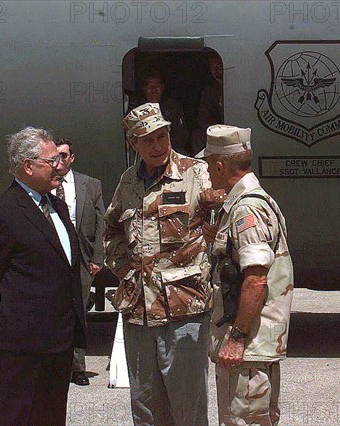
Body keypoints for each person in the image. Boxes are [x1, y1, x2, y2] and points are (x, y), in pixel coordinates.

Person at [105, 103, 212, 425]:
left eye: (162, 136)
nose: (157, 146)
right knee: (146, 405)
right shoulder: (128, 182)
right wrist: (125, 271)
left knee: (187, 405)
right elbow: (112, 231)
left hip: (184, 308)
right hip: (139, 311)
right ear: (133, 144)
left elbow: (220, 230)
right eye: (147, 140)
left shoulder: (196, 173)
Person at [0, 127, 86, 425]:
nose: (60, 166)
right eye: (51, 161)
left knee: (52, 416)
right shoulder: (3, 213)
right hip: (21, 346)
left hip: (59, 341)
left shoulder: (57, 205)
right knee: (18, 417)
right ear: (27, 166)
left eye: (60, 159)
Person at [196, 125, 294, 426]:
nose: (207, 174)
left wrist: (236, 339)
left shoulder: (246, 210)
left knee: (244, 421)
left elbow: (256, 280)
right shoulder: (244, 203)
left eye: (209, 165)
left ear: (221, 165)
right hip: (251, 347)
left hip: (248, 347)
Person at [52, 137, 105, 386]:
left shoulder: (90, 185)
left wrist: (98, 257)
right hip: (52, 255)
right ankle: (55, 365)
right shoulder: (43, 184)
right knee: (52, 309)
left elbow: (101, 222)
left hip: (81, 256)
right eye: (54, 156)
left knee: (79, 311)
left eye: (63, 156)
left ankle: (77, 367)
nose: (58, 161)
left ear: (71, 158)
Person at [131, 71, 190, 155]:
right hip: (145, 150)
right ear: (144, 89)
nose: (154, 90)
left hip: (171, 148)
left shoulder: (173, 106)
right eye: (149, 87)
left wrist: (165, 146)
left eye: (157, 86)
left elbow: (182, 135)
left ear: (162, 87)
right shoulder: (136, 109)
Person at [192, 55, 225, 156]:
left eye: (219, 65)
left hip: (238, 126)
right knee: (197, 135)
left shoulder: (240, 85)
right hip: (218, 129)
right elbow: (203, 118)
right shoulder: (210, 91)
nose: (216, 70)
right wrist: (216, 129)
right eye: (212, 67)